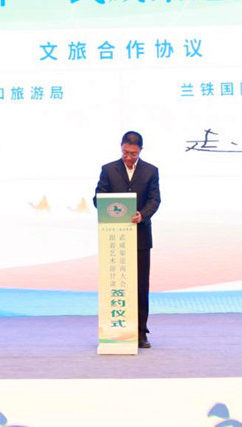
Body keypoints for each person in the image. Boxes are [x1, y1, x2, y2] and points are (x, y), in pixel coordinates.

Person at [94, 131, 161, 348]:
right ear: (121, 148)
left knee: (141, 286)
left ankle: (140, 333)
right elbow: (98, 198)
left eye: (133, 153)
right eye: (125, 152)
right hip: (114, 238)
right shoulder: (108, 170)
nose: (129, 157)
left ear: (141, 150)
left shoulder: (151, 171)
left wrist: (143, 215)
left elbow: (155, 200)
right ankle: (115, 329)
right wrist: (103, 202)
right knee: (115, 284)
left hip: (140, 237)